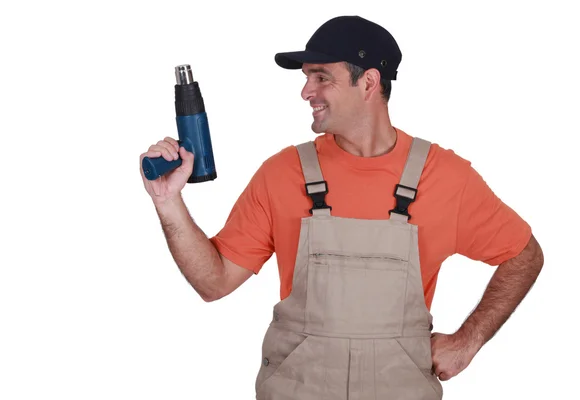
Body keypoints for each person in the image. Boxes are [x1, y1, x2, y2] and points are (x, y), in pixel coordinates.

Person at [140, 15, 544, 400]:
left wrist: (468, 341)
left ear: (369, 82)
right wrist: (168, 202)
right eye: (306, 78)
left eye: (322, 78)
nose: (306, 92)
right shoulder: (282, 173)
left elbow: (524, 255)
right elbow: (215, 283)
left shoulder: (445, 178)